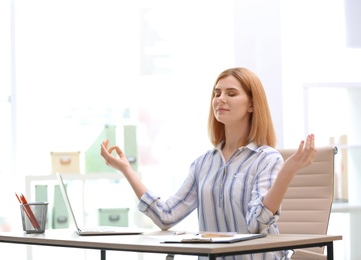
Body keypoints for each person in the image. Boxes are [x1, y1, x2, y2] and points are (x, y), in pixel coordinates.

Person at [100, 67, 316, 260]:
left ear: (252, 104)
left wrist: (286, 173)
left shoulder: (266, 159)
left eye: (231, 93)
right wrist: (126, 169)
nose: (220, 99)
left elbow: (256, 225)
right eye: (217, 93)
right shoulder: (203, 164)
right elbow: (166, 217)